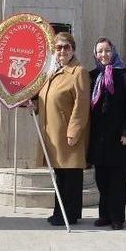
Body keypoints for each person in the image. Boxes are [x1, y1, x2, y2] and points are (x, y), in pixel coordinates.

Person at [36, 32, 90, 227]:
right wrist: (33, 106)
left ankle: (68, 214)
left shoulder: (78, 71)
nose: (62, 51)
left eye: (66, 47)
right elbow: (47, 99)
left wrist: (74, 131)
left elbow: (82, 104)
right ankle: (62, 212)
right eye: (58, 48)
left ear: (73, 49)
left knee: (71, 177)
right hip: (53, 133)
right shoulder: (53, 71)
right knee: (61, 175)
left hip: (68, 134)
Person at [88, 38, 126, 230]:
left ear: (114, 51)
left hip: (120, 138)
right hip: (99, 138)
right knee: (101, 179)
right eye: (100, 51)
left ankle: (117, 217)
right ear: (95, 54)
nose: (104, 55)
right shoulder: (92, 76)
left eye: (107, 50)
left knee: (117, 180)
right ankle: (104, 215)